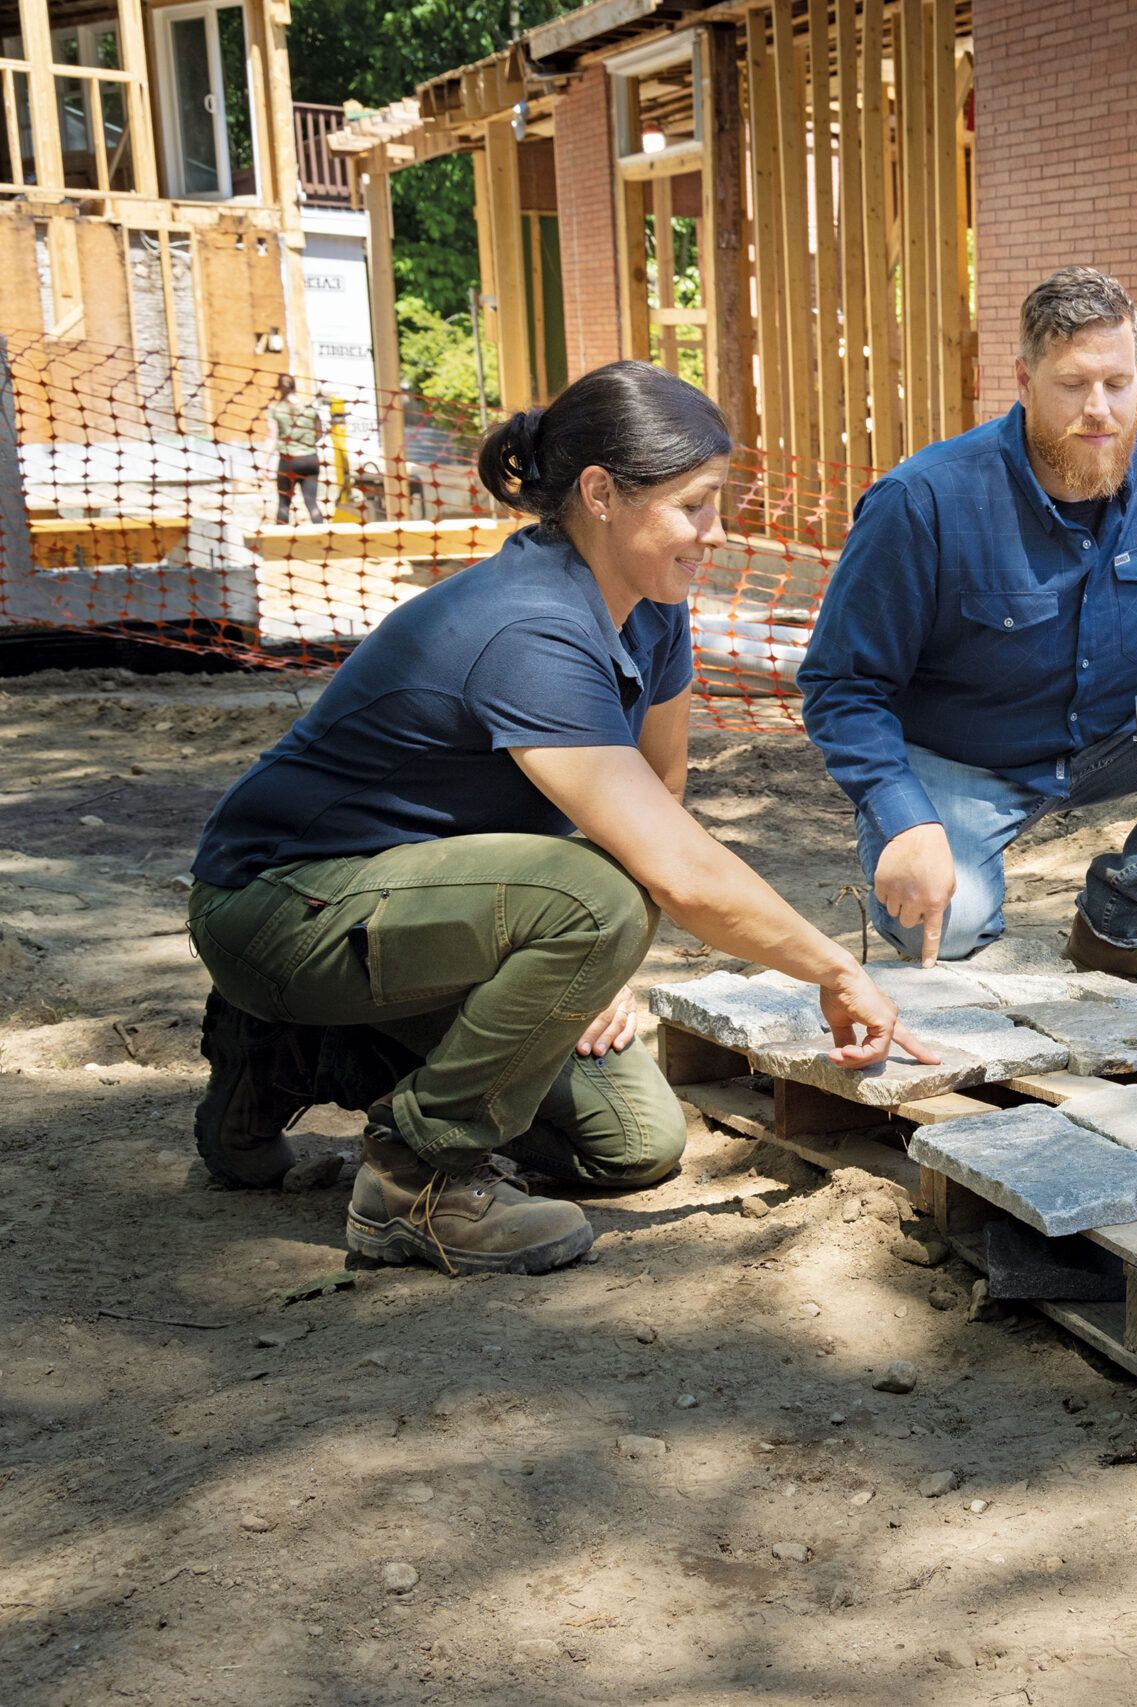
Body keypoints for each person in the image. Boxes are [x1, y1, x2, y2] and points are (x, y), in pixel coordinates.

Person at [187, 361, 929, 1277]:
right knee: (599, 900)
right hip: (277, 909)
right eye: (695, 505)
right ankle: (415, 1178)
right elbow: (674, 873)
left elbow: (656, 797)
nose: (716, 531)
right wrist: (833, 966)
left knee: (632, 1143)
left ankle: (305, 1054)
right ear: (601, 494)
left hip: (418, 907)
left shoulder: (651, 603)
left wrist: (590, 964)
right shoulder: (528, 626)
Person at [798, 267, 1137, 999]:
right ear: (1023, 377)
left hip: (1115, 728)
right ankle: (941, 862)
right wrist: (902, 819)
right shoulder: (923, 500)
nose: (1099, 409)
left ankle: (1123, 926)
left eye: (1118, 381)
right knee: (946, 929)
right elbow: (841, 685)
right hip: (965, 756)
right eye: (1073, 384)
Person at [267, 374, 329, 525]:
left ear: (279, 388)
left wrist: (264, 463)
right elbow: (320, 433)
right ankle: (323, 537)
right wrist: (308, 444)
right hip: (310, 459)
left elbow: (272, 436)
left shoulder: (275, 409)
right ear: (295, 387)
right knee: (311, 502)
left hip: (288, 460)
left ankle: (280, 540)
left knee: (284, 503)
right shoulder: (309, 408)